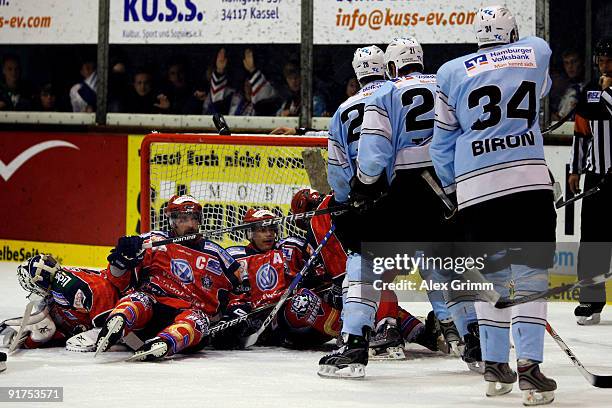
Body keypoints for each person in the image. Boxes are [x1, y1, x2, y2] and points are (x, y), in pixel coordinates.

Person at [430, 6, 557, 405]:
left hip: (476, 191)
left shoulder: (450, 72)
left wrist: (455, 190)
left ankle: (495, 368)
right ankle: (530, 370)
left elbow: (441, 145)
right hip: (528, 185)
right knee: (531, 277)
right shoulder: (534, 50)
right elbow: (545, 85)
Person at [95, 195, 244, 361]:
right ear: (172, 221)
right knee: (136, 299)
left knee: (197, 320)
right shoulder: (152, 241)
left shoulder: (216, 254)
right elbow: (118, 281)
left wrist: (235, 312)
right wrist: (121, 262)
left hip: (189, 313)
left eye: (194, 219)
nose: (190, 224)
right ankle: (118, 321)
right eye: (183, 219)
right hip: (152, 309)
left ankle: (164, 343)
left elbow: (240, 289)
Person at [315, 45, 388, 378]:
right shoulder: (398, 92)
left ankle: (357, 343)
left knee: (362, 262)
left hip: (370, 200)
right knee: (440, 261)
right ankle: (473, 338)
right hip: (418, 196)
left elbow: (337, 167)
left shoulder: (344, 109)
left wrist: (347, 200)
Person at [213, 208, 340, 349]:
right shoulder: (234, 256)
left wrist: (311, 278)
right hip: (255, 319)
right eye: (262, 230)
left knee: (304, 300)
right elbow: (218, 289)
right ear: (250, 232)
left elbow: (323, 267)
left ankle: (348, 333)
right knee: (226, 329)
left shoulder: (290, 247)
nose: (269, 234)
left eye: (272, 229)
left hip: (287, 319)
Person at [569, 37, 612, 325]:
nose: (604, 66)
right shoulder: (591, 92)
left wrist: (608, 93)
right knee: (593, 241)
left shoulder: (604, 93)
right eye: (601, 60)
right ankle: (591, 300)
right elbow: (581, 133)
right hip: (597, 178)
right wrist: (575, 169)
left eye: (609, 60)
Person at [6, 254, 121, 351]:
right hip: (114, 303)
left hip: (117, 312)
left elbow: (99, 289)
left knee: (75, 343)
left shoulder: (65, 287)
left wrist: (103, 326)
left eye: (32, 285)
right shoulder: (60, 282)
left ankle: (124, 339)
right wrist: (31, 341)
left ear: (41, 281)